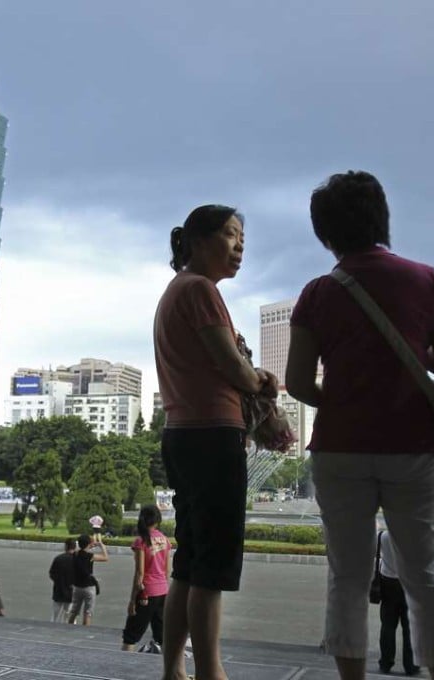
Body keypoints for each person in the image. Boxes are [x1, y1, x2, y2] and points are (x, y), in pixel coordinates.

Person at [286, 171, 434, 680]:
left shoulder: (318, 292)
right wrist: (414, 351)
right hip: (415, 446)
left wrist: (342, 400)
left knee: (347, 577)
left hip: (340, 449)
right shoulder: (427, 279)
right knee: (428, 577)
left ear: (325, 233)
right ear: (382, 219)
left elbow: (298, 383)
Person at [154, 204, 276, 680]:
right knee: (212, 567)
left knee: (189, 561)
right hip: (212, 435)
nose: (240, 245)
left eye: (242, 236)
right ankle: (210, 671)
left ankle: (174, 670)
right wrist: (260, 379)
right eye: (230, 234)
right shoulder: (201, 289)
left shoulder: (175, 291)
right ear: (199, 241)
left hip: (181, 435)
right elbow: (231, 366)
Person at [121, 504, 171, 653]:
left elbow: (139, 573)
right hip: (163, 592)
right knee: (161, 636)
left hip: (146, 593)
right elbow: (167, 570)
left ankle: (121, 668)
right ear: (158, 520)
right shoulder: (165, 540)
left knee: (131, 635)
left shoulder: (141, 541)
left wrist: (132, 601)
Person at [376, 530, 419, 676]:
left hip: (388, 583)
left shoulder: (382, 535)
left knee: (387, 625)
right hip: (409, 583)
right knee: (410, 627)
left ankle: (386, 662)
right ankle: (410, 665)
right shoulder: (412, 533)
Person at [68, 533, 108, 626]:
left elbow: (82, 549)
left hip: (77, 586)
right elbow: (105, 558)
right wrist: (102, 546)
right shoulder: (90, 556)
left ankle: (68, 628)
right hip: (89, 587)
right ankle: (85, 631)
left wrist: (89, 544)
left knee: (74, 611)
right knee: (87, 613)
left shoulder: (75, 554)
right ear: (89, 544)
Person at [49, 538, 77, 622]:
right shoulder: (78, 560)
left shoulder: (58, 559)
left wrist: (58, 581)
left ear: (66, 546)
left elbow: (52, 573)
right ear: (75, 547)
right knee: (69, 617)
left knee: (55, 616)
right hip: (72, 592)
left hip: (59, 590)